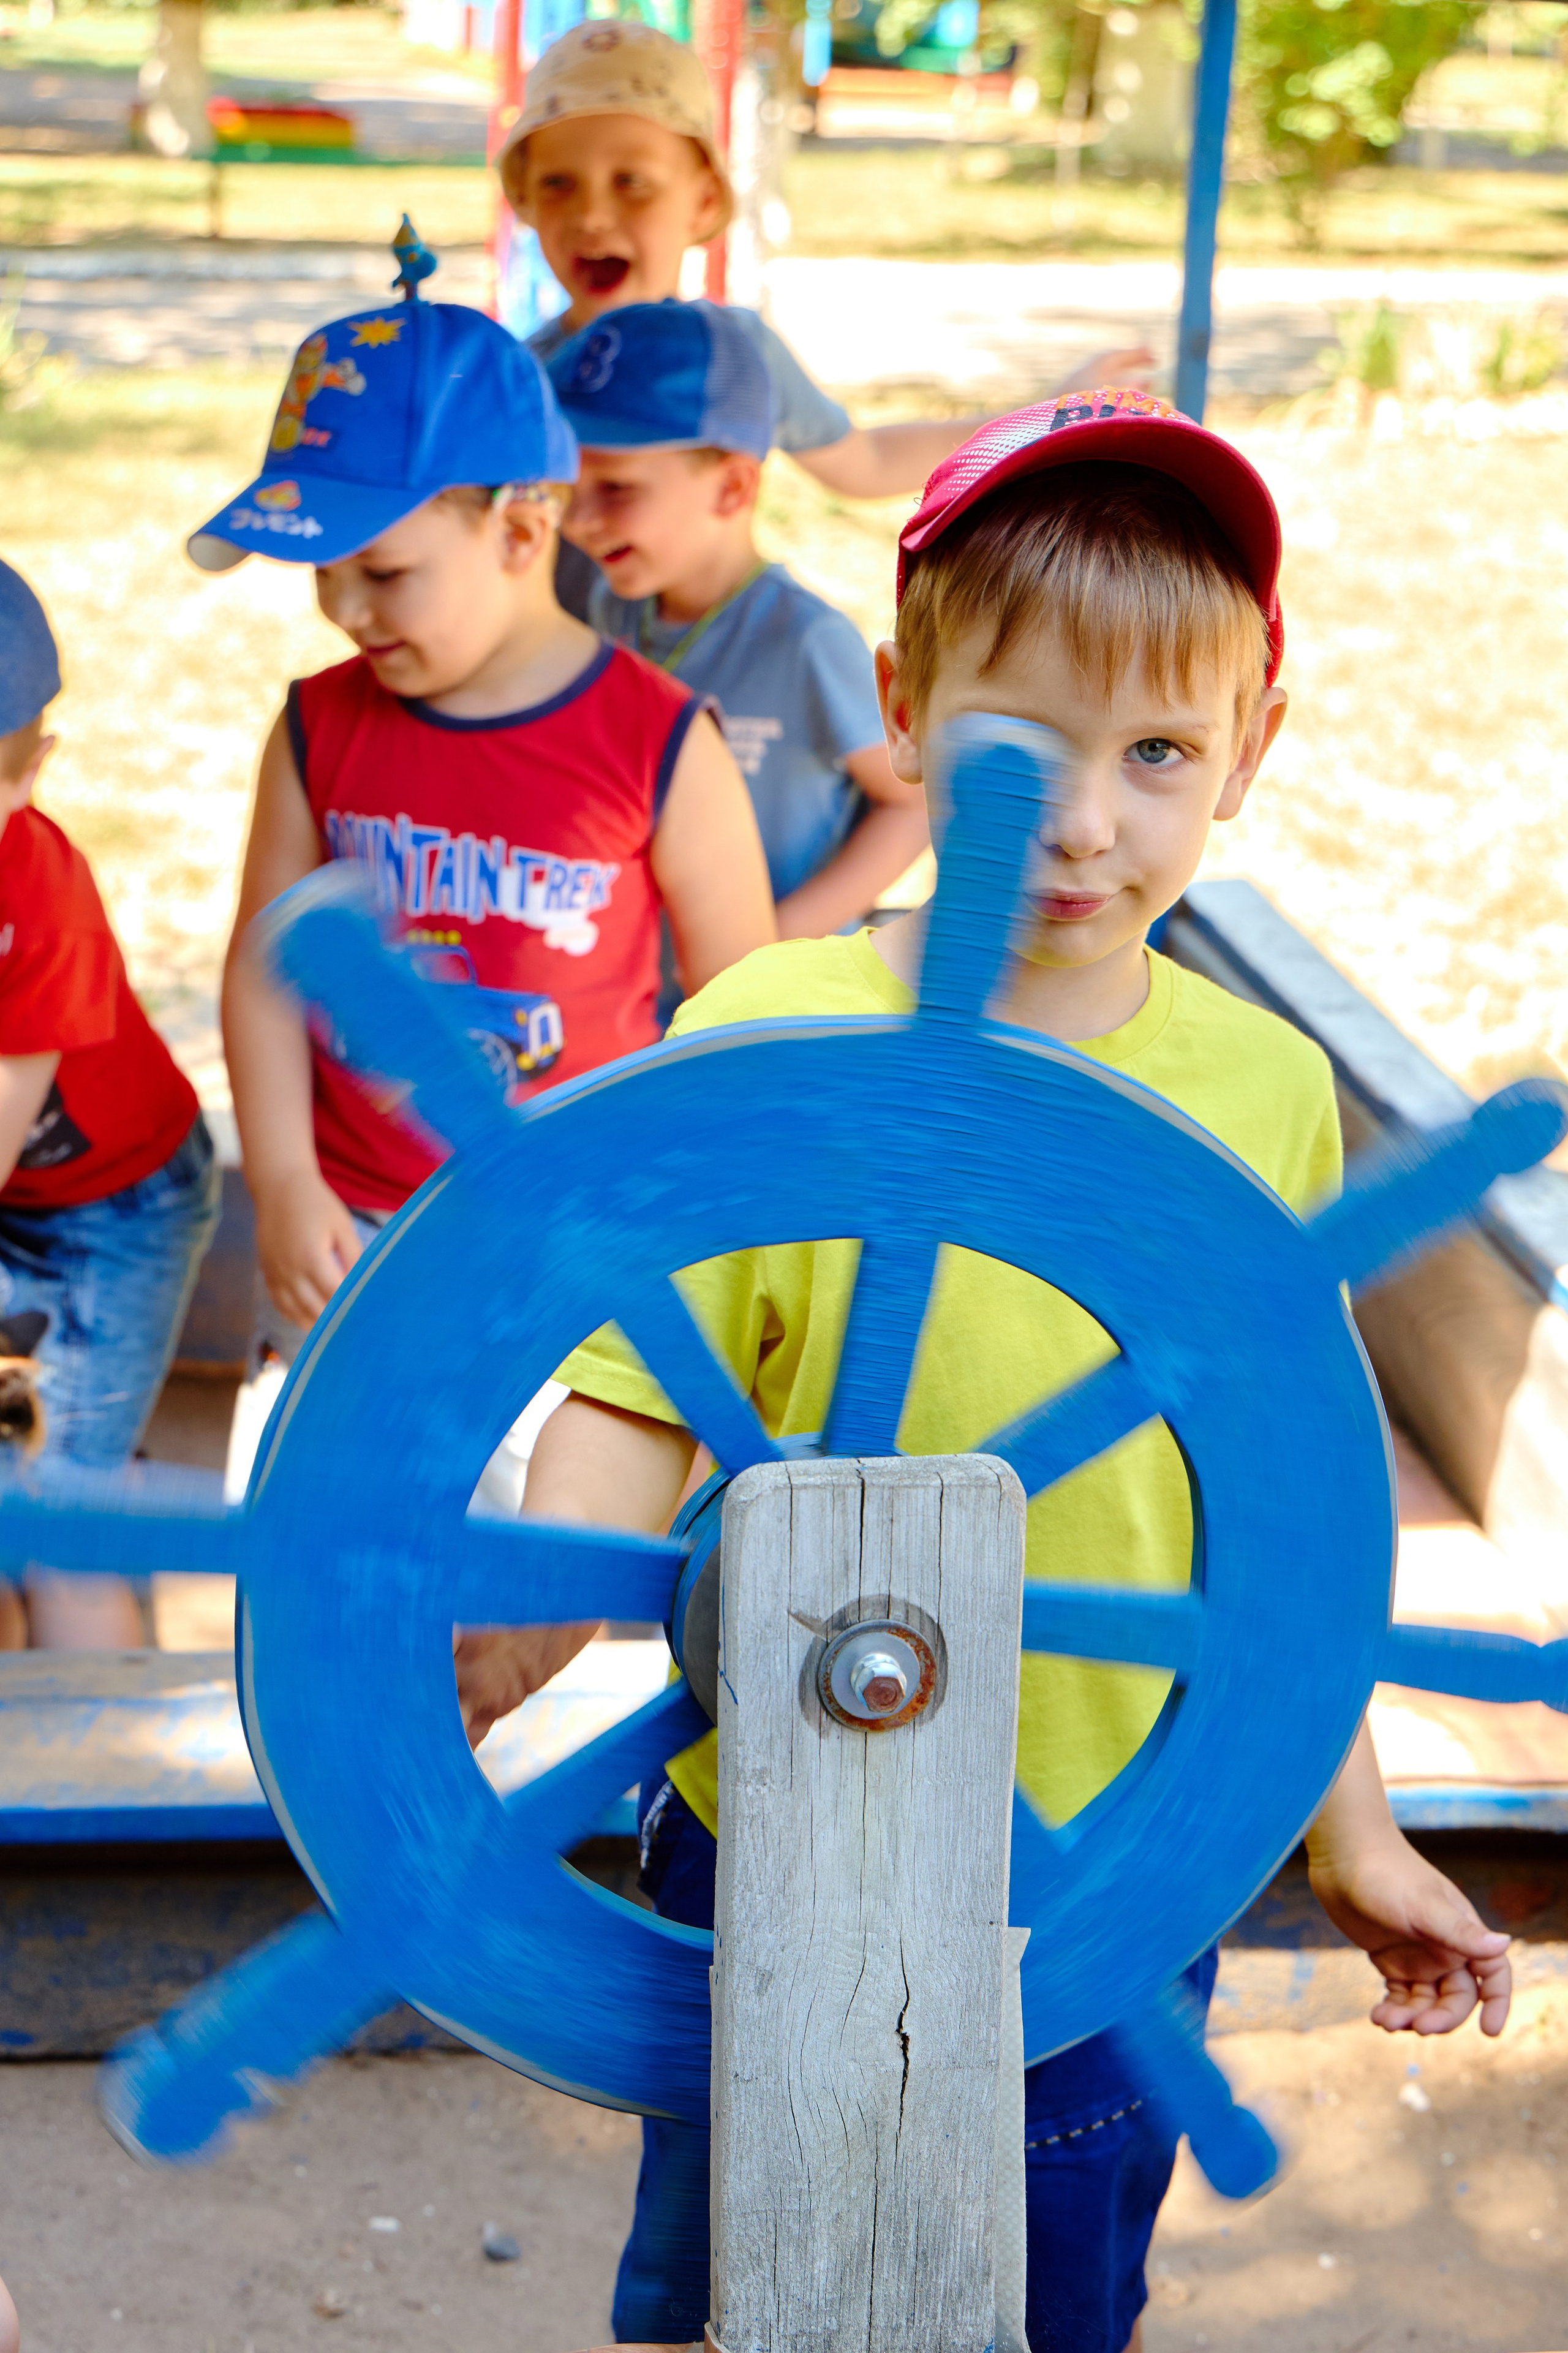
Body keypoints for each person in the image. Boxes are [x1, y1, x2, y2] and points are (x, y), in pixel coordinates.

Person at [453, 391, 1515, 2353]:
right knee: (768, 2267)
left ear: (1248, 757)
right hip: (759, 1808)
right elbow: (642, 1376)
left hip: (1104, 1848)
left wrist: (1347, 1826)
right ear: (902, 700)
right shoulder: (770, 1025)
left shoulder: (1260, 1095)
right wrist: (535, 1610)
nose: (1087, 819)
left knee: (1030, 2282)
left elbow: (1274, 1507)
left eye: (1160, 753)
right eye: (1021, 743)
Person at [197, 262, 773, 1398]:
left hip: (576, 1255)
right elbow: (264, 972)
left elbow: (744, 1011)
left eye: (383, 571)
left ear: (520, 529)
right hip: (349, 1241)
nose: (346, 611)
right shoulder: (316, 725)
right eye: (326, 575)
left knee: (552, 1567)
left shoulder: (659, 743)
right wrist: (280, 1182)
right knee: (331, 1557)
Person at [496, 18, 1154, 618]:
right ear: (524, 200)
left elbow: (865, 462)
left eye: (631, 181)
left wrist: (1041, 414)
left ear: (702, 201)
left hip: (703, 687)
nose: (590, 216)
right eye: (558, 183)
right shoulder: (510, 379)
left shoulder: (736, 359)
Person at [550, 296, 928, 943]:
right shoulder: (613, 609)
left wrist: (771, 945)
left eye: (615, 489)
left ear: (732, 488)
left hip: (765, 1016)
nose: (576, 520)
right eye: (567, 488)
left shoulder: (807, 641)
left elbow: (910, 805)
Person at [0, 560, 220, 1651]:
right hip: (29, 1196)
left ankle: (109, 1799)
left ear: (32, 771)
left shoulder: (41, 898)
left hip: (114, 1212)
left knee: (59, 1505)